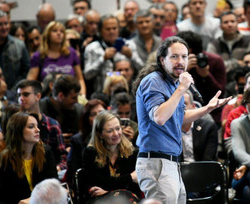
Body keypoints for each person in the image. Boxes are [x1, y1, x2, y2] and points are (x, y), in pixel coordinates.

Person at [133, 36, 231, 204]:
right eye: (174, 56)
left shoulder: (172, 83)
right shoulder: (153, 81)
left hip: (171, 162)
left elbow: (180, 116)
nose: (180, 62)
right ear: (162, 60)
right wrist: (182, 88)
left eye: (184, 57)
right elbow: (159, 117)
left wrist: (207, 108)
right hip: (156, 162)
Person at [0, 112, 58, 204]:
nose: (38, 130)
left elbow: (53, 185)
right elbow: (4, 196)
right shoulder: (5, 159)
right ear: (18, 131)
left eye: (37, 126)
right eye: (31, 127)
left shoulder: (46, 152)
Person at [83, 111, 140, 201]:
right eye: (110, 131)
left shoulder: (132, 152)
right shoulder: (91, 153)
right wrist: (130, 177)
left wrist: (108, 190)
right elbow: (98, 184)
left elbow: (133, 187)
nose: (116, 134)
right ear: (100, 134)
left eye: (118, 128)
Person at [17, 79, 67, 172]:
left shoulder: (52, 125)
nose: (21, 98)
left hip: (49, 173)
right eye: (19, 95)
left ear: (38, 96)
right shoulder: (15, 124)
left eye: (26, 94)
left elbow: (63, 158)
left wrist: (56, 169)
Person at [27, 21, 86, 96]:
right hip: (47, 97)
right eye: (55, 31)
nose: (59, 33)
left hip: (70, 97)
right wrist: (43, 86)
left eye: (61, 31)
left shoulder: (71, 53)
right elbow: (30, 81)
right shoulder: (38, 55)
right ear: (47, 34)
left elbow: (80, 78)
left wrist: (83, 96)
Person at [84, 14, 132, 93]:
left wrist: (131, 56)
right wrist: (102, 59)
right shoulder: (92, 48)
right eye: (108, 29)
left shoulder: (129, 45)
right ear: (100, 30)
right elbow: (87, 75)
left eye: (114, 28)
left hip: (127, 93)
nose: (112, 32)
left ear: (119, 29)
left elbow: (143, 70)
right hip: (101, 94)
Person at [65, 99, 105, 186]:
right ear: (87, 120)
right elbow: (75, 171)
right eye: (93, 114)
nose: (98, 117)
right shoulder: (77, 140)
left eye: (101, 112)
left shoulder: (115, 135)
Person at [181, 90, 218, 162]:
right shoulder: (168, 129)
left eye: (185, 104)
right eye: (178, 104)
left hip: (201, 169)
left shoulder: (208, 127)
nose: (182, 108)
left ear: (193, 106)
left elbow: (208, 160)